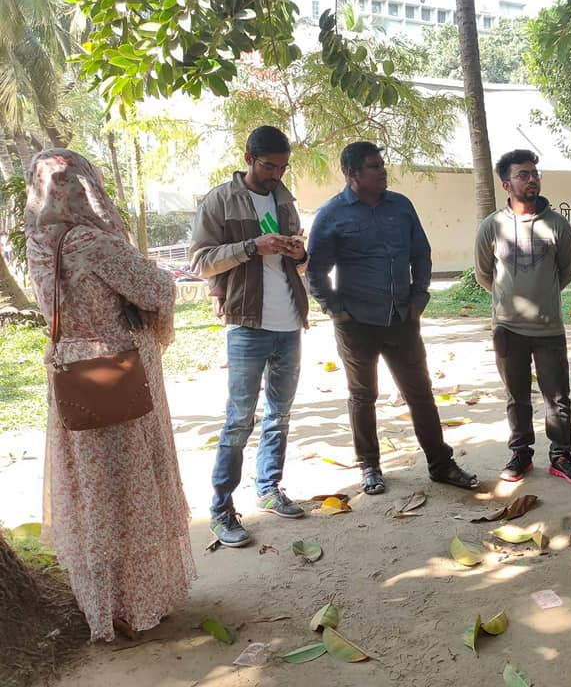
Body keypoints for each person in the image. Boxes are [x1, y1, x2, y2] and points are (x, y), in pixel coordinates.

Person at [24, 149, 196, 642]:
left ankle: (104, 605)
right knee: (130, 491)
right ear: (85, 188)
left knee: (92, 498)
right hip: (118, 372)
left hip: (71, 373)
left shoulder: (39, 243)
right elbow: (157, 289)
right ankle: (135, 606)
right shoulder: (90, 243)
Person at [306, 141, 478, 495]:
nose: (383, 172)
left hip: (402, 318)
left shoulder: (400, 206)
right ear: (352, 175)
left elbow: (421, 254)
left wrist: (419, 297)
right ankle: (369, 465)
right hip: (357, 324)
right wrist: (335, 309)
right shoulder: (332, 214)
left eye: (382, 165)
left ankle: (440, 463)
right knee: (363, 395)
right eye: (374, 167)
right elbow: (316, 270)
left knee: (420, 393)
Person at [190, 126, 309, 548]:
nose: (276, 174)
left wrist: (299, 252)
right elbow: (200, 261)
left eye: (282, 167)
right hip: (247, 323)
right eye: (268, 166)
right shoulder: (221, 200)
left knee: (280, 414)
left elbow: (298, 260)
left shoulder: (285, 199)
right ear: (248, 158)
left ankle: (269, 488)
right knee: (239, 419)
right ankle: (222, 510)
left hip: (289, 319)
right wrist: (251, 246)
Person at [475, 149, 571, 486]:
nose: (532, 179)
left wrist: (542, 298)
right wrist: (507, 303)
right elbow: (485, 274)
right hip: (508, 330)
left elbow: (565, 271)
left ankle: (561, 455)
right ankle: (521, 453)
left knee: (558, 398)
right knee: (517, 397)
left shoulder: (557, 225)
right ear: (506, 183)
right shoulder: (491, 226)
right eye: (523, 174)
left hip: (549, 328)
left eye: (534, 173)